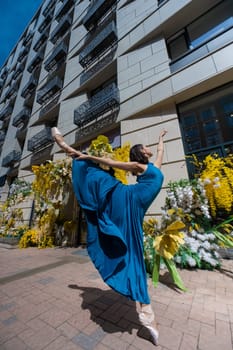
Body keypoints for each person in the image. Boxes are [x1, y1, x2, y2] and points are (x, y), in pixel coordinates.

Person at [52, 127, 167, 346]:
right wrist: (88, 156)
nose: (150, 148)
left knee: (135, 255)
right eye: (146, 147)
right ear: (140, 153)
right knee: (96, 176)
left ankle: (147, 314)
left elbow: (160, 153)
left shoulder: (154, 168)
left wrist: (161, 138)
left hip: (134, 211)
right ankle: (67, 148)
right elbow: (114, 164)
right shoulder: (139, 166)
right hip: (127, 200)